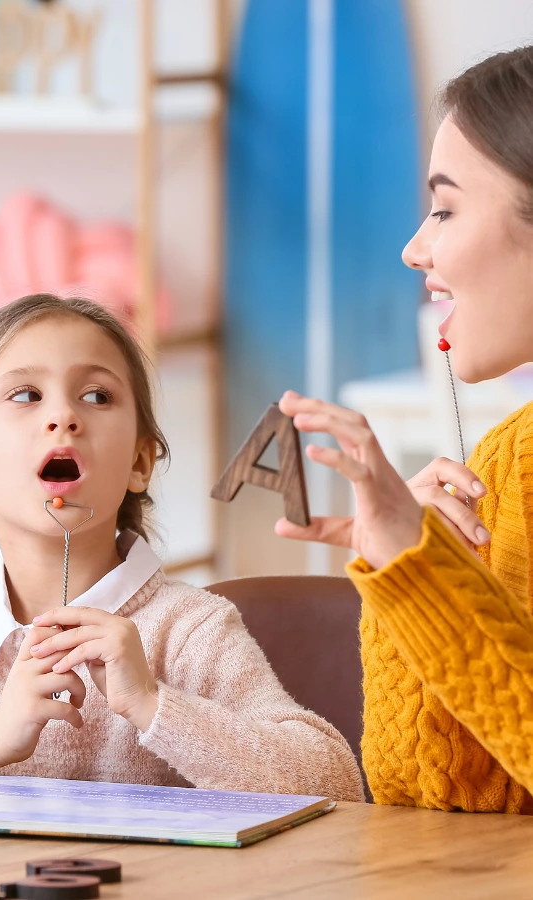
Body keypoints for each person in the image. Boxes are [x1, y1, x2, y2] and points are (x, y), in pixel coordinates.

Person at [0, 293, 363, 801]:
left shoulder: (190, 627)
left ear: (140, 462)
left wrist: (152, 704)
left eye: (98, 396)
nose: (63, 415)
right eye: (25, 395)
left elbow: (334, 780)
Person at [277, 46, 533, 813]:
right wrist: (405, 571)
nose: (415, 248)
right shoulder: (509, 460)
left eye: (446, 209)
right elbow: (434, 799)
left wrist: (426, 581)